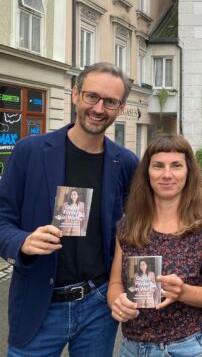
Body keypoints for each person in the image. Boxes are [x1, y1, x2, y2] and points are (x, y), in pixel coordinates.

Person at [0, 62, 138, 355]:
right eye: (92, 97)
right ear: (75, 94)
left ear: (120, 107)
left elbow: (138, 226)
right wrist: (22, 241)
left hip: (98, 306)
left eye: (110, 102)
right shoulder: (30, 152)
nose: (99, 108)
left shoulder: (125, 162)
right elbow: (2, 219)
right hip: (39, 301)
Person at [108, 134, 202, 356]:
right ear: (147, 172)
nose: (167, 174)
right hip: (133, 348)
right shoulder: (128, 227)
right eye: (158, 166)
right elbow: (116, 282)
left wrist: (184, 292)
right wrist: (117, 302)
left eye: (176, 165)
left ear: (188, 172)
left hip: (188, 348)